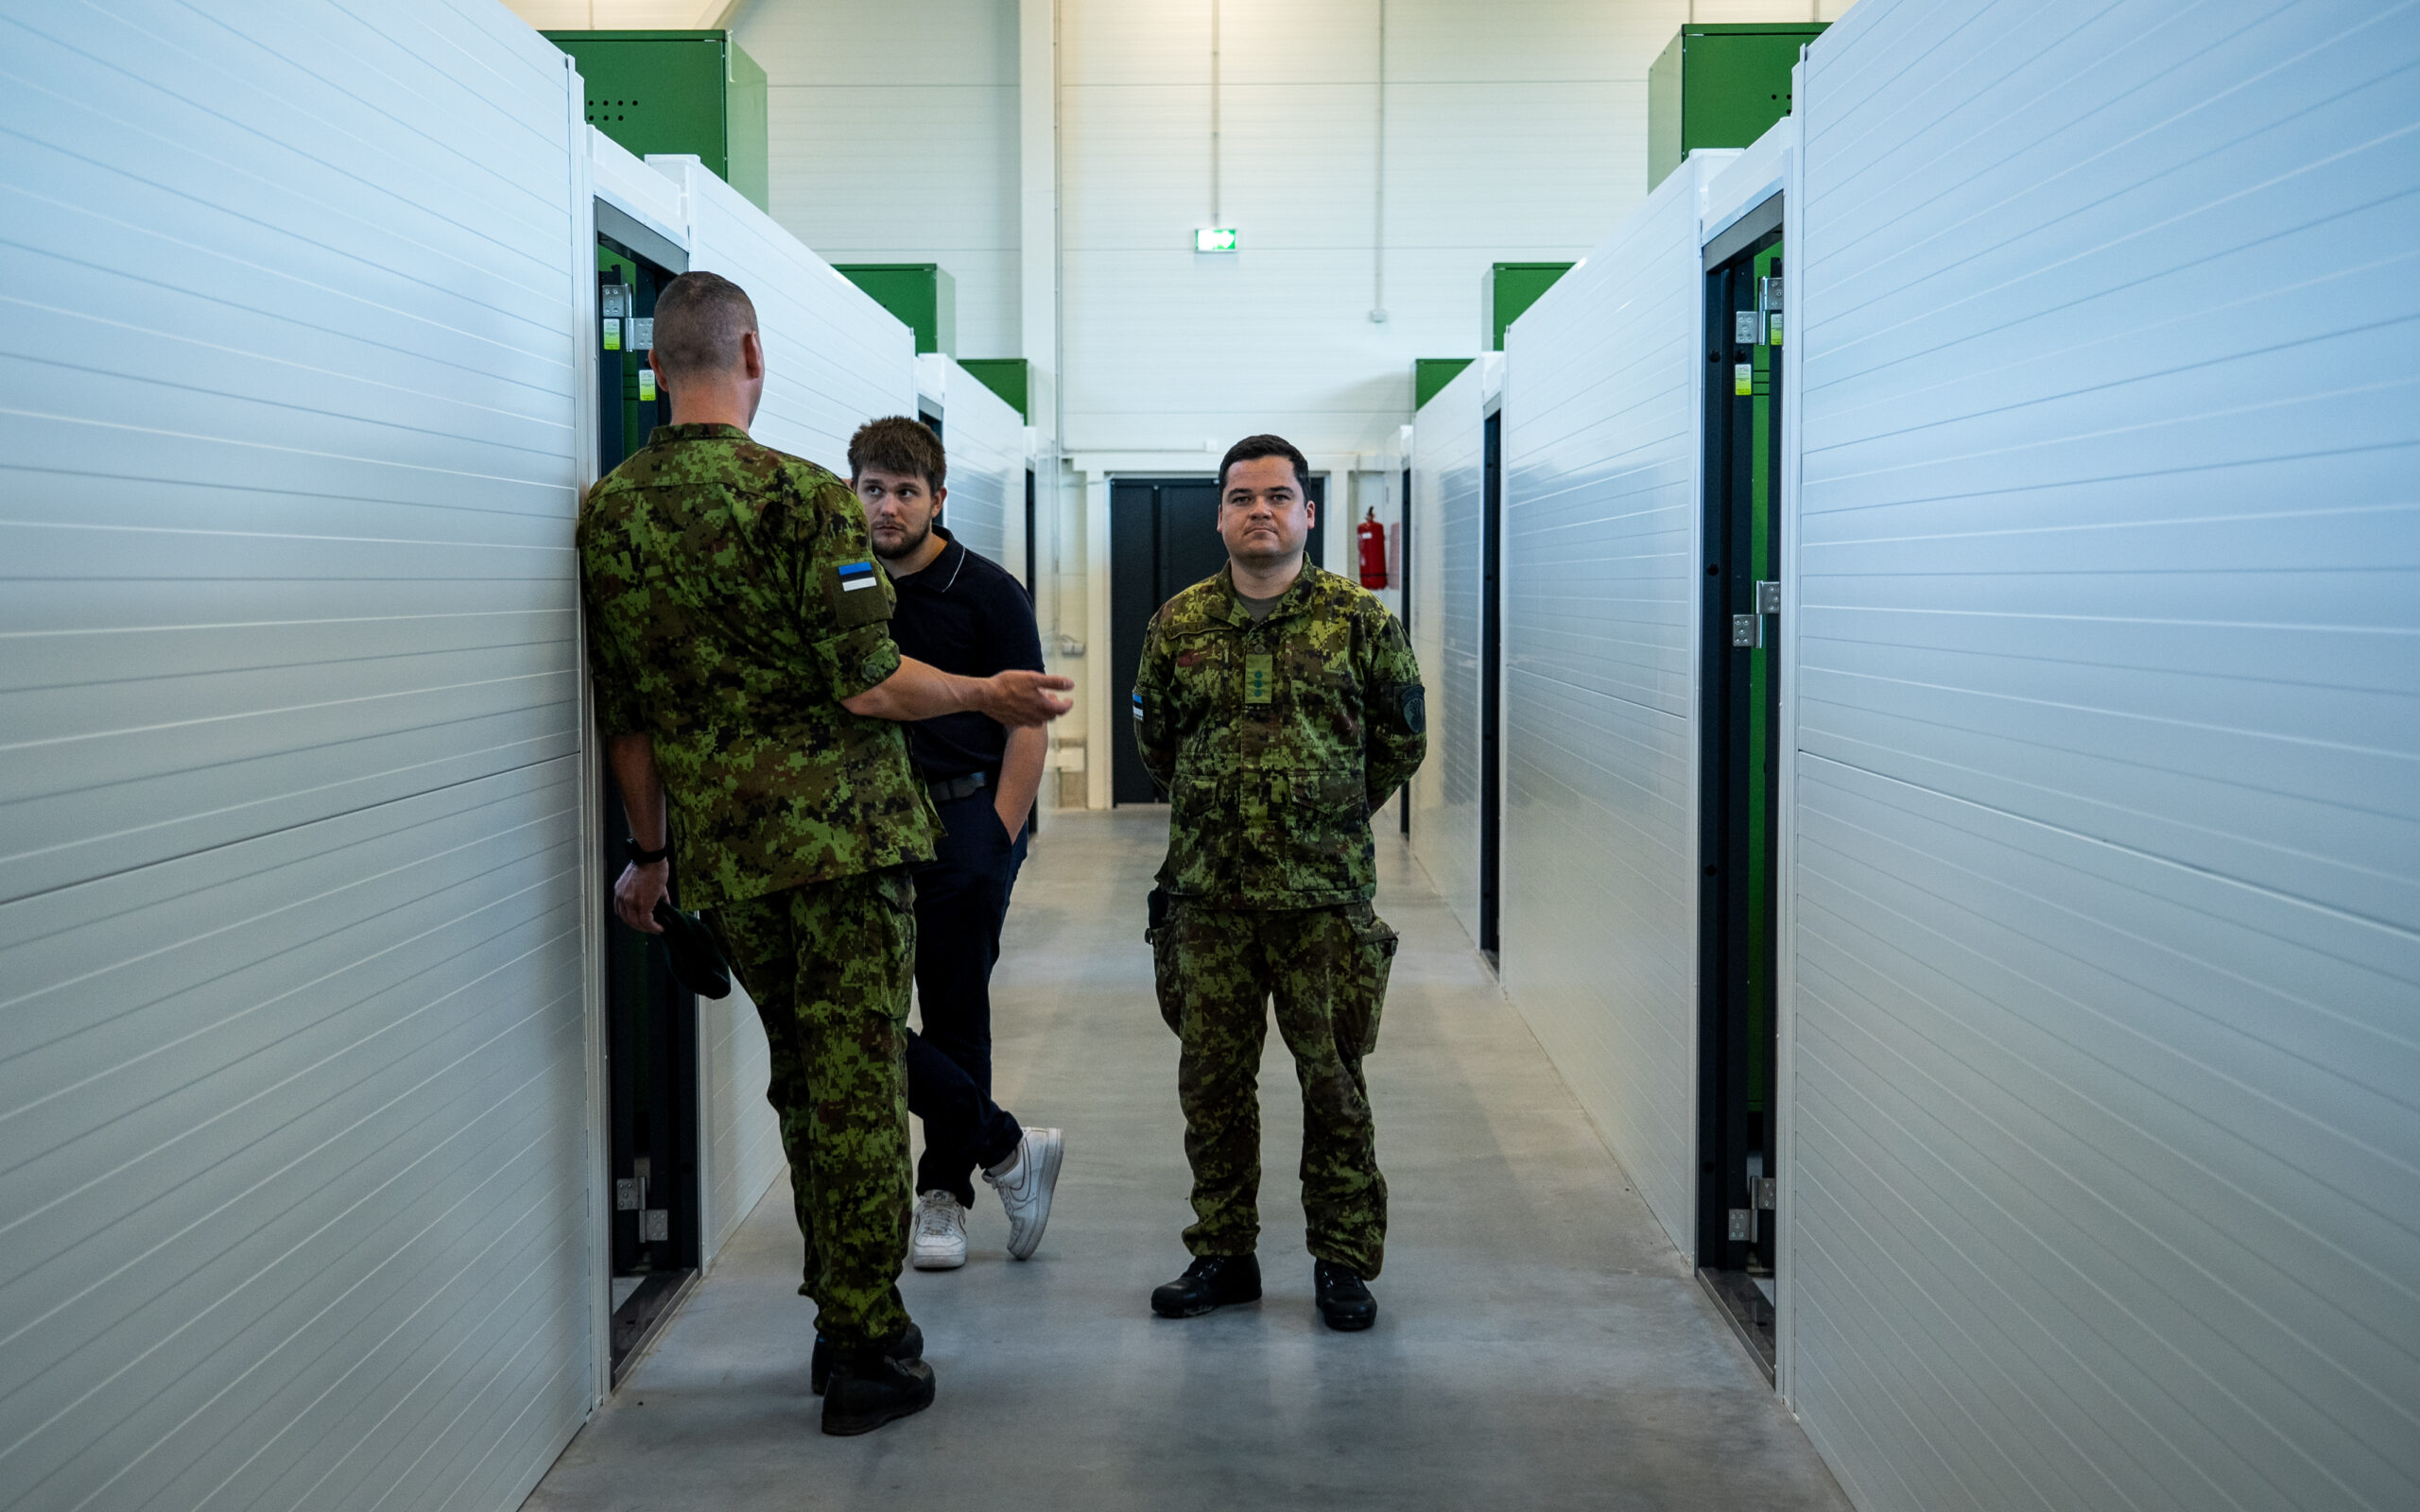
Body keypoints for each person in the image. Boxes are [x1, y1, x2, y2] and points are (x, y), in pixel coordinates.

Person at [577, 271, 1071, 1435]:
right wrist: (988, 690)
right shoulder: (804, 501)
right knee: (852, 1087)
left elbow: (629, 717)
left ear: (656, 366)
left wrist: (651, 855)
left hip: (728, 861)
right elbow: (870, 682)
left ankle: (834, 1305)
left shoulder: (612, 511)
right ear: (750, 353)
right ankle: (863, 1340)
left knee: (808, 1073)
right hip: (842, 852)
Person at [1132, 434, 1426, 1332]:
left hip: (1323, 902)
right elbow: (1158, 750)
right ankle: (1223, 1254)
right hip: (1208, 901)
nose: (1260, 510)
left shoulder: (1360, 620)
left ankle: (1342, 1263)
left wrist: (1327, 817)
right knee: (1212, 1085)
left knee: (1333, 1084)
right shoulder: (1178, 625)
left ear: (1308, 512)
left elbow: (1400, 740)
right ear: (1220, 515)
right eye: (1240, 497)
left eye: (1277, 496)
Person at [848, 416, 1063, 1271]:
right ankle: (1008, 1146)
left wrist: (998, 841)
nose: (888, 506)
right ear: (853, 493)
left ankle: (942, 1196)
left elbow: (1031, 724)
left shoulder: (988, 591)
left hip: (959, 824)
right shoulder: (846, 585)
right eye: (873, 488)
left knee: (954, 1012)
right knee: (861, 1017)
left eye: (906, 492)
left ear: (939, 499)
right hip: (862, 834)